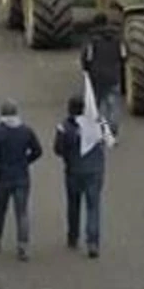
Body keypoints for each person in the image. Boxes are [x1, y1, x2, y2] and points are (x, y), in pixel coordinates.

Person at [0, 101, 42, 260]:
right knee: (21, 212)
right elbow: (37, 150)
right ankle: (23, 246)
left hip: (3, 176)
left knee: (0, 210)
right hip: (21, 175)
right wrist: (26, 161)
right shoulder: (26, 131)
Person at [54, 95, 106, 258]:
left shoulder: (64, 127)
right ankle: (92, 242)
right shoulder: (97, 124)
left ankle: (73, 236)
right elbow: (106, 140)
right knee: (93, 207)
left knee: (73, 205)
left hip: (74, 171)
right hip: (95, 171)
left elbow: (58, 149)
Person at [80, 16, 123, 141]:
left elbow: (86, 57)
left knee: (97, 104)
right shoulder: (117, 38)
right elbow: (124, 55)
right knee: (113, 104)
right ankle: (113, 128)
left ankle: (99, 129)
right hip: (114, 75)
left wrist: (86, 69)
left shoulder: (91, 39)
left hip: (96, 76)